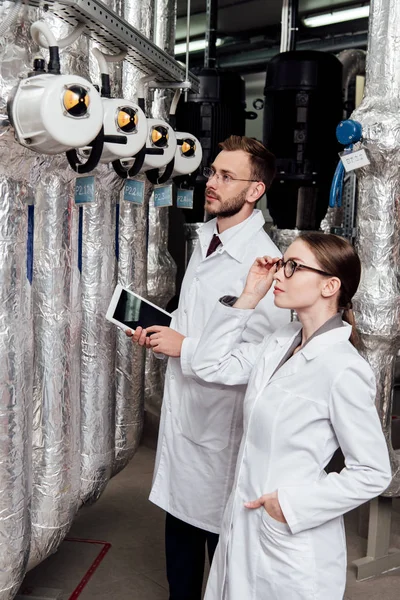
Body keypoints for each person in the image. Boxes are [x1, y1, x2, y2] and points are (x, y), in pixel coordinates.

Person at [129, 136, 290, 600]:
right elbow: (191, 319)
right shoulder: (207, 238)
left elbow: (259, 360)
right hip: (186, 418)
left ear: (255, 190)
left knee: (220, 548)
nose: (211, 183)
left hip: (221, 425)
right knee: (178, 538)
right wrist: (162, 334)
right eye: (212, 172)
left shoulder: (261, 263)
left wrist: (187, 348)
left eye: (225, 176)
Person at [191, 232, 392, 600]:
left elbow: (373, 472)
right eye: (283, 264)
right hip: (244, 525)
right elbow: (209, 363)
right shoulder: (280, 341)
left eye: (293, 267)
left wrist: (290, 505)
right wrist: (250, 295)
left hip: (289, 541)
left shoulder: (343, 368)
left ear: (330, 286)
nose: (279, 275)